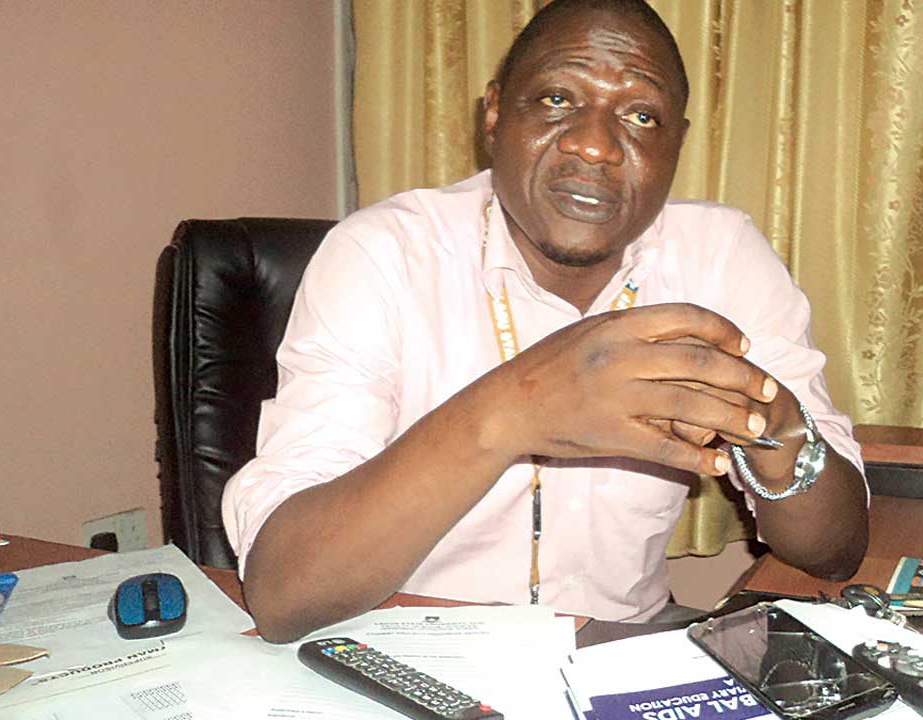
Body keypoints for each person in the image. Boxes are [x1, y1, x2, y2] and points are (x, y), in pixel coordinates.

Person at [224, 0, 869, 644]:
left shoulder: (721, 258)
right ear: (495, 113)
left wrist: (775, 431)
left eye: (641, 116)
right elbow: (286, 593)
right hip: (404, 657)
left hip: (623, 656)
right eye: (558, 100)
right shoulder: (381, 256)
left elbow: (836, 551)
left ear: (676, 143)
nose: (595, 145)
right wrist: (513, 410)